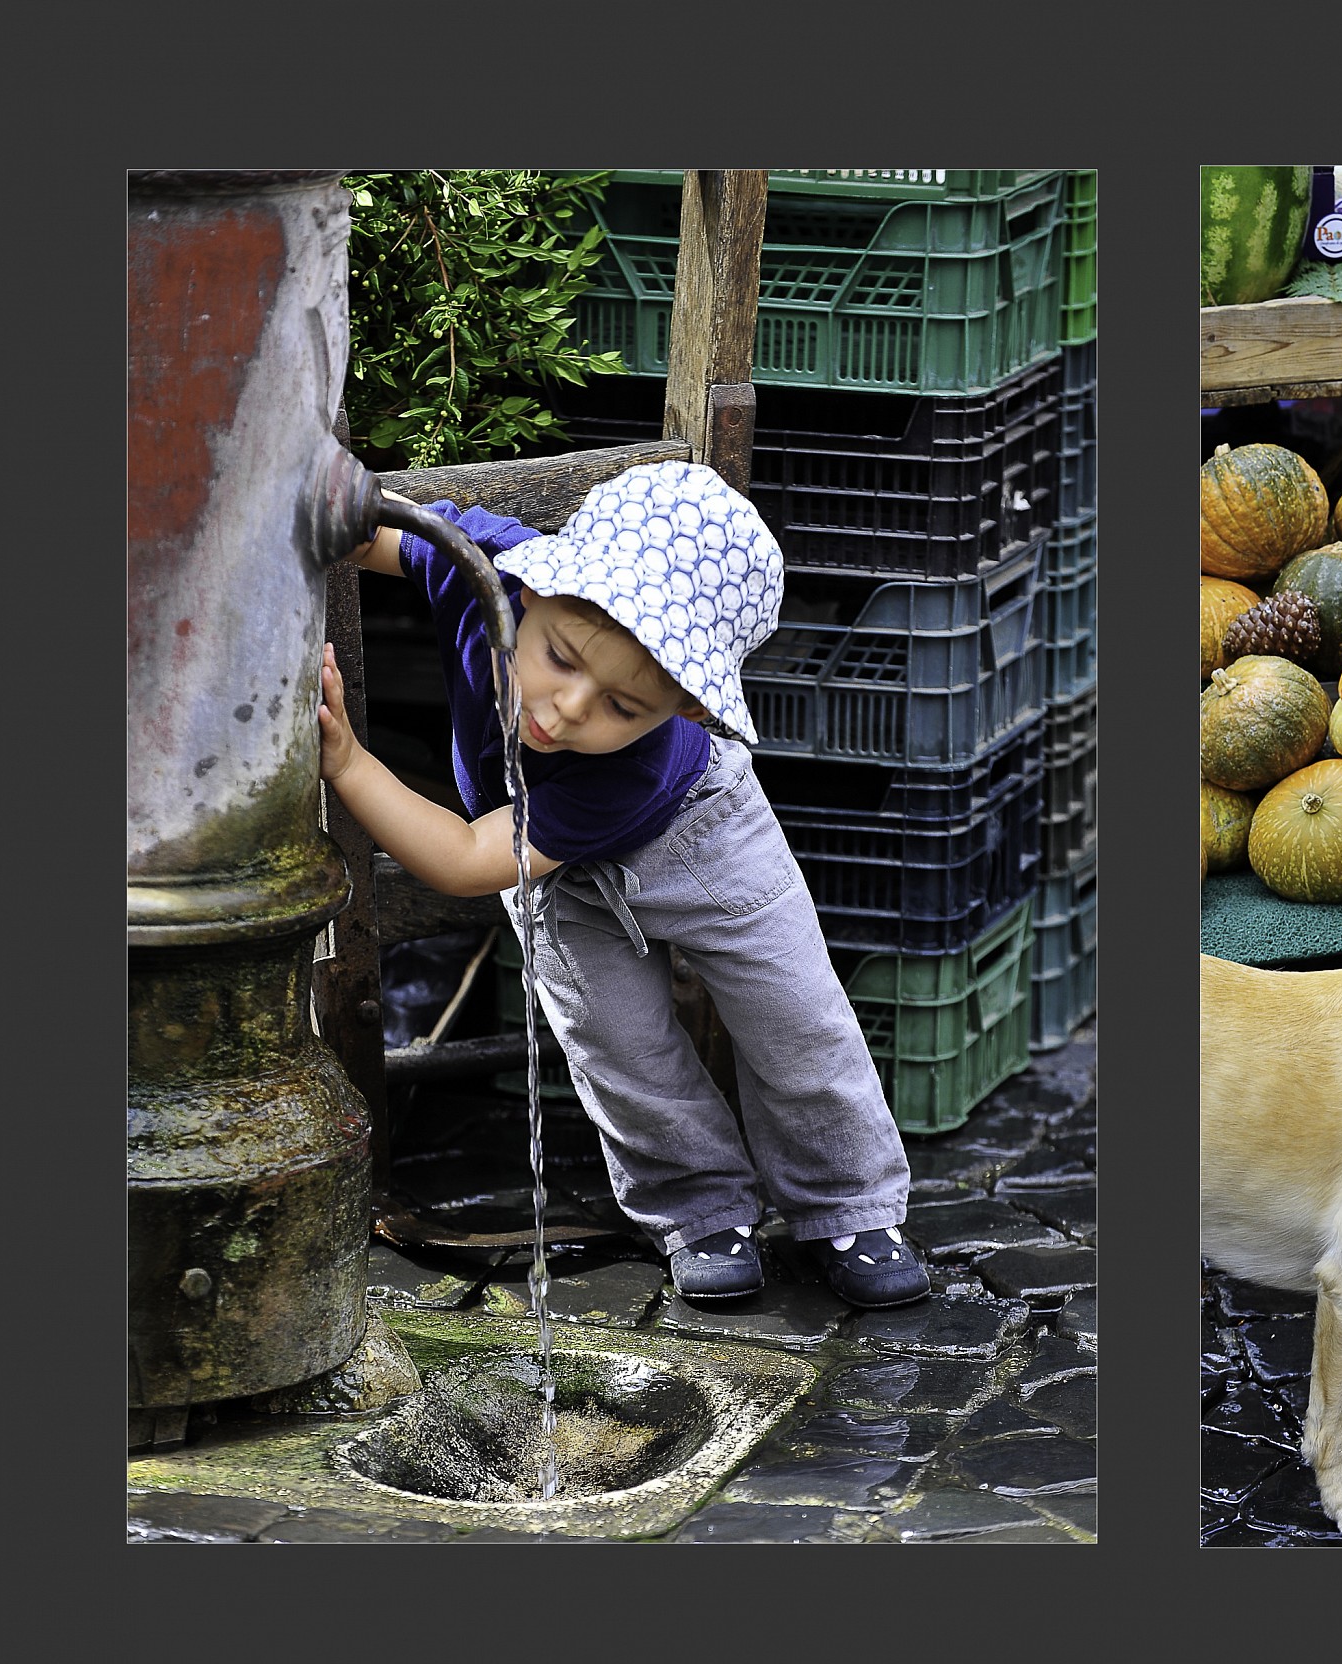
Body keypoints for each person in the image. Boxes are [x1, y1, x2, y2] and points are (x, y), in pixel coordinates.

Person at [319, 461, 929, 1308]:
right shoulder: (481, 567)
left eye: (622, 707)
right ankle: (699, 1208)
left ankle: (847, 1205)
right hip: (550, 867)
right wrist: (308, 505)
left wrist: (348, 763)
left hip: (703, 836)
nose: (566, 711)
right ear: (530, 592)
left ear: (680, 710)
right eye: (558, 660)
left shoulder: (628, 769)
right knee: (617, 1045)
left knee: (796, 1018)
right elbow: (375, 532)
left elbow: (463, 857)